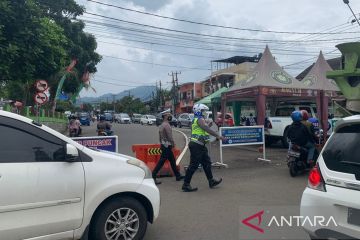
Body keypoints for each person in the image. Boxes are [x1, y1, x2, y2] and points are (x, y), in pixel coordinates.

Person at [182, 103, 226, 192]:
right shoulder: (199, 119)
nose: (205, 112)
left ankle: (211, 181)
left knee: (207, 163)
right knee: (193, 165)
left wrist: (207, 126)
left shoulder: (196, 119)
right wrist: (218, 136)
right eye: (203, 111)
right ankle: (186, 185)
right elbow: (205, 128)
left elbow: (202, 129)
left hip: (200, 146)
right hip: (196, 145)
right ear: (198, 111)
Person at [152, 109, 184, 185]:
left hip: (164, 145)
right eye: (168, 115)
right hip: (167, 146)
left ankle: (178, 176)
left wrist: (162, 143)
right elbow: (170, 136)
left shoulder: (162, 125)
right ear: (165, 117)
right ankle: (153, 176)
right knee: (161, 162)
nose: (170, 116)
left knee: (172, 161)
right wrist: (173, 143)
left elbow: (160, 136)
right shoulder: (167, 125)